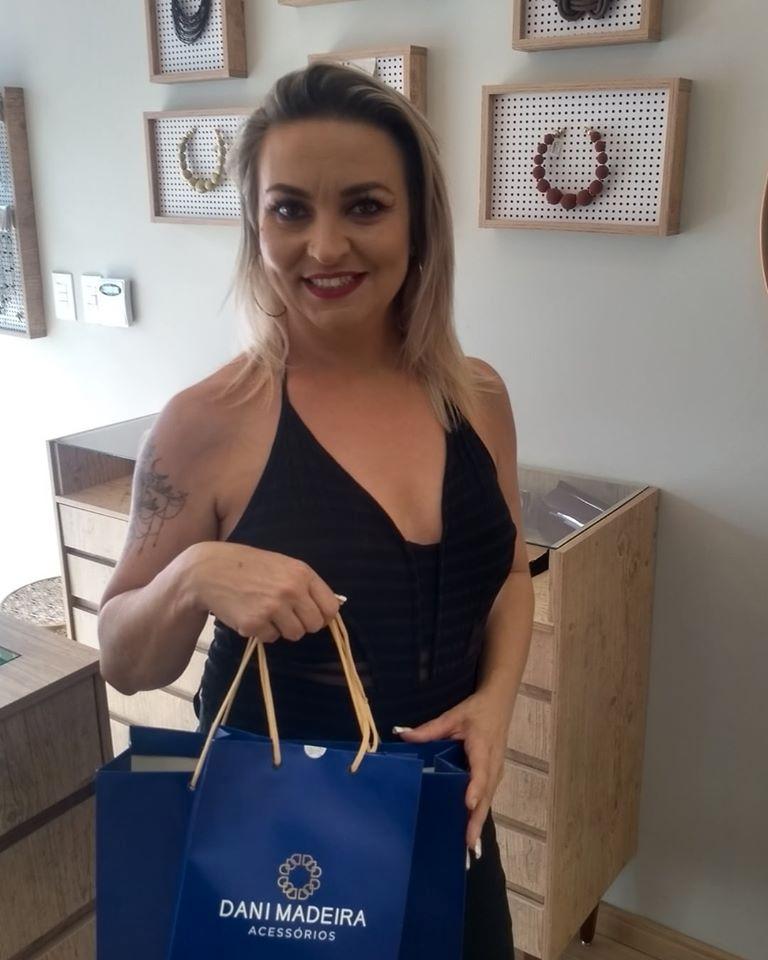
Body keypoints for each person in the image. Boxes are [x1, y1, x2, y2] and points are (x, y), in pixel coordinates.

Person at [98, 62, 535, 959]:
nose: (325, 246)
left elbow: (508, 575)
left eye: (365, 206)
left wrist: (495, 704)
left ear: (418, 223)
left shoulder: (478, 395)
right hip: (278, 849)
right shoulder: (208, 423)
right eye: (290, 210)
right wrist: (193, 575)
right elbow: (123, 660)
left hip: (447, 821)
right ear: (254, 225)